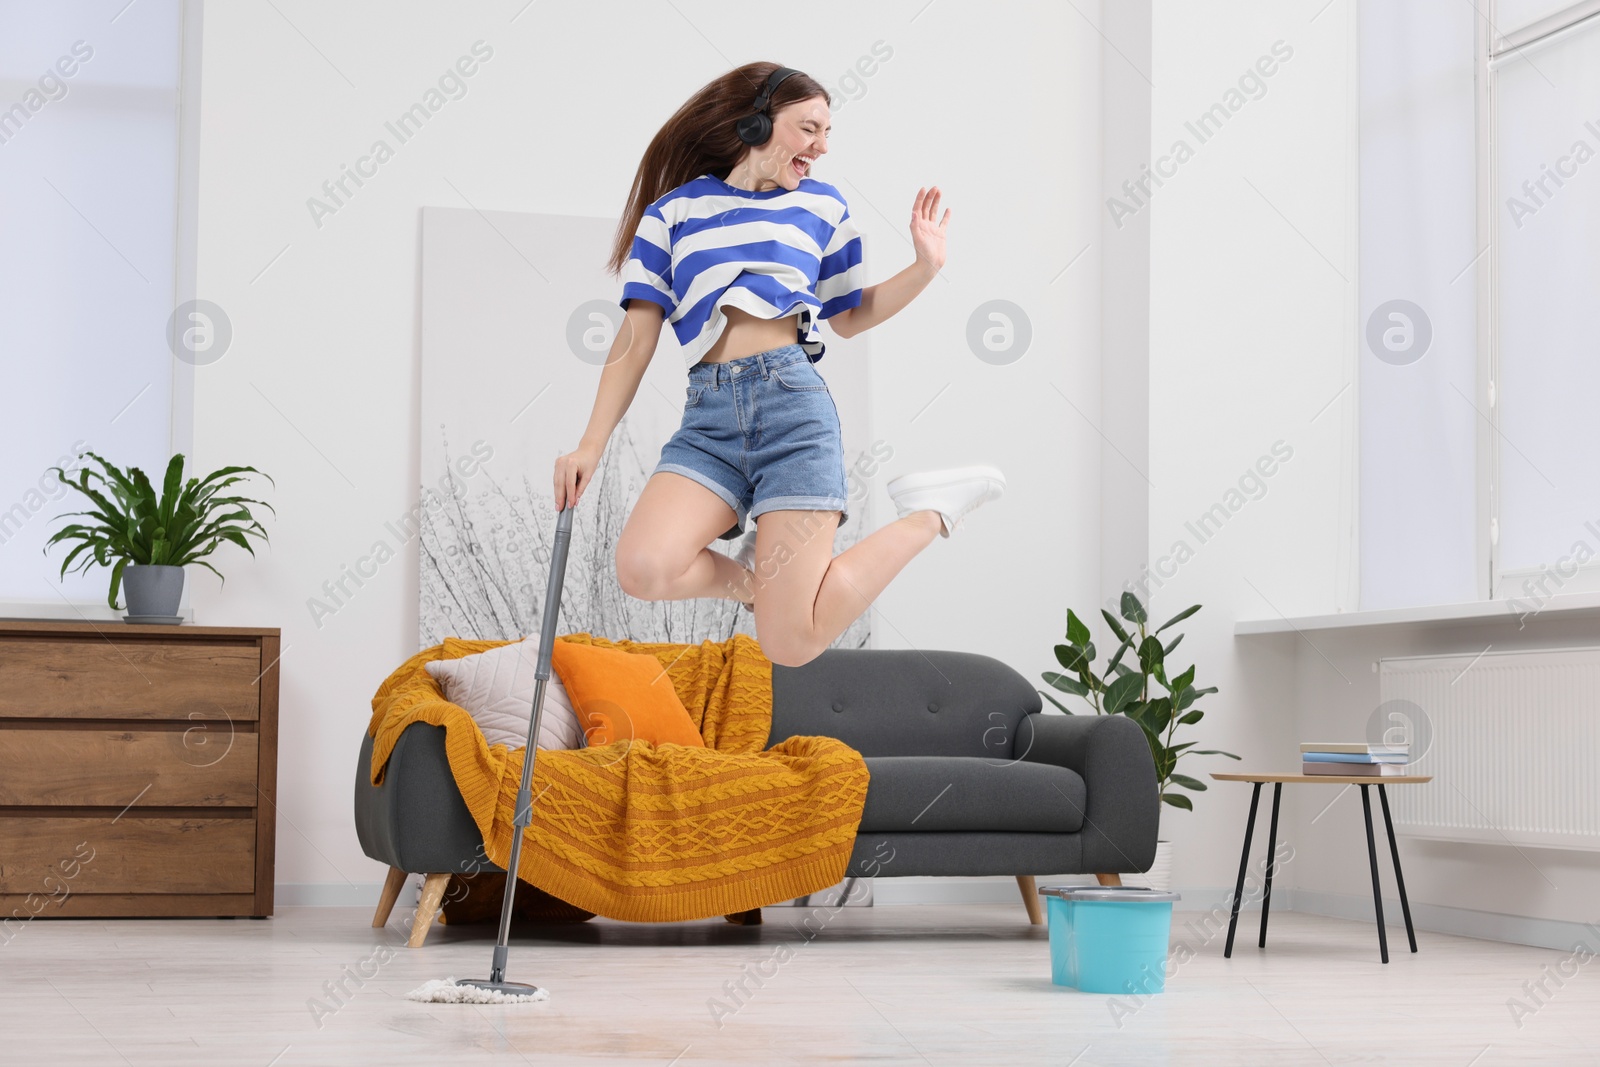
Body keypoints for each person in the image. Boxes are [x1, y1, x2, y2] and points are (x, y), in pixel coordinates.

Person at [553, 62, 1004, 668]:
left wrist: (924, 269)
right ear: (758, 122)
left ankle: (930, 513)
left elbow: (849, 314)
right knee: (643, 567)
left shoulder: (821, 206)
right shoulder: (672, 214)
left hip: (793, 410)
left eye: (826, 134)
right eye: (808, 128)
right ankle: (758, 590)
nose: (820, 147)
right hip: (709, 418)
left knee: (791, 644)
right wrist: (590, 444)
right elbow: (637, 334)